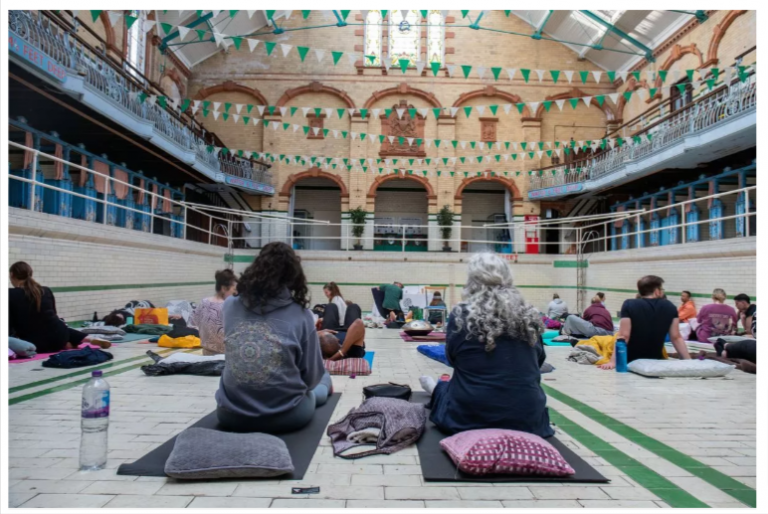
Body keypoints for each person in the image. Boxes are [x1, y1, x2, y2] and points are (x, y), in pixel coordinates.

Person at [419, 253, 553, 438]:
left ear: (472, 280)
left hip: (469, 417)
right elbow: (538, 362)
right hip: (528, 418)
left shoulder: (460, 314)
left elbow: (452, 359)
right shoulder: (529, 314)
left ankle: (434, 389)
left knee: (445, 389)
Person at [215, 242, 332, 434]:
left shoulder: (229, 306)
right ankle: (327, 386)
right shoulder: (301, 314)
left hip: (231, 414)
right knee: (320, 382)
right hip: (286, 416)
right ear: (293, 276)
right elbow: (310, 379)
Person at [600, 275, 691, 370]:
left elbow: (624, 336)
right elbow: (676, 337)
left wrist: (613, 362)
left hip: (631, 360)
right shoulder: (670, 307)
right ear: (656, 291)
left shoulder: (629, 304)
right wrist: (689, 361)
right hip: (655, 361)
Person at [8, 262, 101, 353]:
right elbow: (54, 315)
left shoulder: (10, 294)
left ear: (12, 274)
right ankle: (88, 339)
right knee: (58, 327)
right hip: (59, 337)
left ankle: (70, 343)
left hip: (35, 343)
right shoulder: (46, 290)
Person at [190, 269, 238, 356]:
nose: (235, 293)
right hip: (225, 356)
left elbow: (193, 323)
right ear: (223, 288)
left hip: (206, 354)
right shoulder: (228, 306)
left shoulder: (203, 302)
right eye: (234, 290)